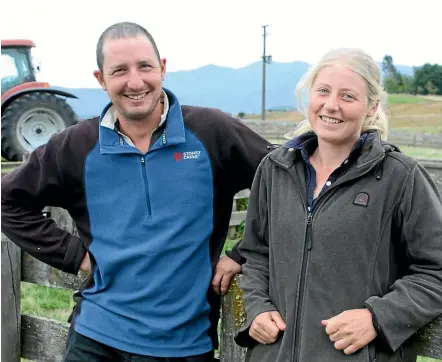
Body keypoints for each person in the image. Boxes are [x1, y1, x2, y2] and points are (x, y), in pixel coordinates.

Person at [1, 22, 272, 362]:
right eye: (119, 71)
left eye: (144, 66)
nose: (135, 81)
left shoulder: (211, 132)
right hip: (94, 339)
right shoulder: (76, 146)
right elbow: (7, 200)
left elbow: (287, 186)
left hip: (184, 345)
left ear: (162, 67)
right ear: (101, 80)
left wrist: (242, 253)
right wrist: (75, 255)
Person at [234, 48, 442, 362]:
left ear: (371, 107)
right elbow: (256, 254)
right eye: (323, 91)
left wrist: (378, 317)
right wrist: (258, 308)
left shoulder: (401, 177)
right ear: (309, 96)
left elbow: (435, 270)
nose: (331, 105)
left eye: (347, 96)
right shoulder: (275, 169)